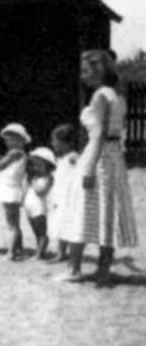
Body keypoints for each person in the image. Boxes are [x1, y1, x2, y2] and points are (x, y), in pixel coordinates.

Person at [58, 50, 138, 286]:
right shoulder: (117, 95)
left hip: (99, 156)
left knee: (81, 210)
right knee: (108, 212)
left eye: (85, 71)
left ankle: (74, 268)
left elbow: (100, 133)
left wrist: (90, 167)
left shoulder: (100, 96)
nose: (82, 76)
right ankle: (103, 269)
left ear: (98, 70)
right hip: (114, 158)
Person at [0, 123, 31, 260]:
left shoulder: (16, 152)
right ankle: (19, 250)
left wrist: (1, 159)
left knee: (13, 224)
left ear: (22, 140)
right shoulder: (19, 153)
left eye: (14, 139)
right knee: (13, 223)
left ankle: (11, 252)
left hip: (11, 190)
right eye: (8, 140)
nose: (10, 142)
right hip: (9, 189)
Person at [47, 124, 79, 262]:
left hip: (70, 197)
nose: (52, 143)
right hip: (60, 196)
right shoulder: (62, 158)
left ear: (64, 142)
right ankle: (61, 253)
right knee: (60, 224)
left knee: (69, 225)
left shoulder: (73, 157)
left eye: (55, 140)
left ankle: (70, 254)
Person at [25, 147, 57, 260]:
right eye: (34, 166)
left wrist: (33, 183)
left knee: (42, 232)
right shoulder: (35, 177)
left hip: (39, 208)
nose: (36, 168)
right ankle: (40, 250)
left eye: (40, 166)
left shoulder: (48, 178)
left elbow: (40, 191)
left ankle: (39, 253)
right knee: (36, 231)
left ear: (48, 167)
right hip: (31, 208)